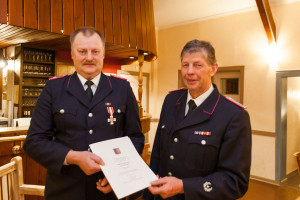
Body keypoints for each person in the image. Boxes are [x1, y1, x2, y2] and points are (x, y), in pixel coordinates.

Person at [23, 27, 145, 200]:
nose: (89, 57)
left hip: (107, 190)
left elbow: (135, 138)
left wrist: (119, 176)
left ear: (103, 54)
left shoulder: (122, 89)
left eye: (95, 51)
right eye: (82, 51)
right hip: (64, 191)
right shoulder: (54, 88)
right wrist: (73, 157)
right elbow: (34, 142)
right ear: (72, 54)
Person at [144, 40, 251, 200]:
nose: (189, 71)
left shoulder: (233, 115)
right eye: (185, 65)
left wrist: (183, 187)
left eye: (197, 65)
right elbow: (158, 155)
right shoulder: (171, 100)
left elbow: (235, 182)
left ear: (213, 69)